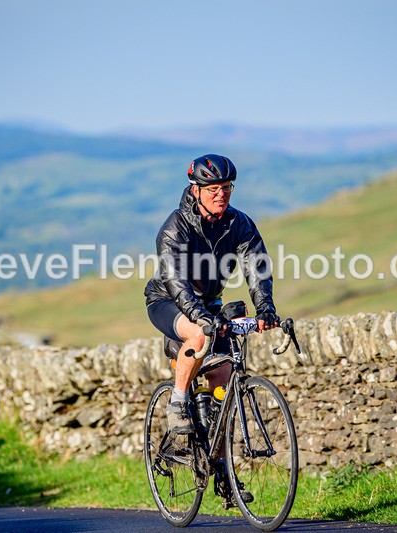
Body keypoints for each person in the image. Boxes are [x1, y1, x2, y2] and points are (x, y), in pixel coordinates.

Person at [144, 153, 279, 505]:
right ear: (196, 189)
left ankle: (220, 467)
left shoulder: (239, 223)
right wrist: (200, 316)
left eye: (227, 187)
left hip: (209, 304)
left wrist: (265, 307)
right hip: (168, 301)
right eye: (214, 188)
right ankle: (177, 403)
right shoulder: (175, 226)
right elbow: (175, 281)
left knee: (224, 376)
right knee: (199, 335)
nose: (222, 194)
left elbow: (257, 266)